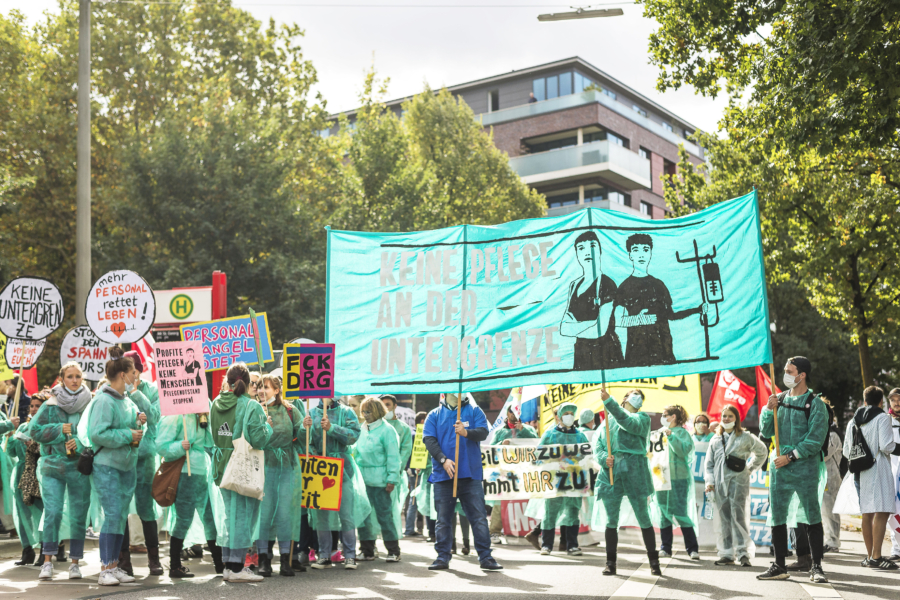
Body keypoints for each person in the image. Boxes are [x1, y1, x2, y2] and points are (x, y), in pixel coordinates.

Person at [84, 348, 155, 586]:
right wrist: (128, 433)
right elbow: (97, 433)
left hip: (127, 466)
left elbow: (135, 431)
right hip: (108, 466)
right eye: (133, 372)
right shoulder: (103, 399)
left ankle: (114, 565)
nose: (136, 376)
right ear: (122, 374)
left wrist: (138, 424)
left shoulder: (126, 400)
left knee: (119, 516)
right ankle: (105, 568)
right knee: (113, 515)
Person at [757, 357, 829, 583]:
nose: (785, 374)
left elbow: (815, 441)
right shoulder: (777, 399)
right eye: (785, 370)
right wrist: (768, 411)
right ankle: (779, 564)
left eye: (790, 371)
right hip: (779, 469)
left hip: (804, 468)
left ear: (802, 375)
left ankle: (816, 566)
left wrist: (790, 456)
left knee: (811, 516)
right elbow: (766, 430)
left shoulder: (815, 404)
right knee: (777, 517)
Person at [422, 392, 502, 572]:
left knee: (479, 518)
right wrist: (443, 460)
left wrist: (466, 432)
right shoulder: (434, 415)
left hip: (470, 474)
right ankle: (442, 557)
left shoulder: (474, 411)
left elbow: (483, 432)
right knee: (443, 520)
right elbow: (429, 440)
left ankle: (486, 557)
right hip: (444, 476)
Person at [209, 362, 273, 583]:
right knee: (243, 517)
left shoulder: (216, 403)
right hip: (241, 466)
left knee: (229, 516)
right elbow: (258, 439)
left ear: (227, 380)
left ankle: (228, 564)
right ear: (246, 383)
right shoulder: (251, 406)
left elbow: (212, 435)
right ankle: (237, 567)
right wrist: (268, 427)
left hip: (220, 466)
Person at [28, 363, 89, 580]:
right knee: (53, 512)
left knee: (79, 515)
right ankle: (47, 561)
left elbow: (95, 432)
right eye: (70, 376)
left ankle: (75, 563)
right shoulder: (51, 404)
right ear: (62, 378)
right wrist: (57, 429)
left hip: (78, 468)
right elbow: (32, 430)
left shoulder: (88, 404)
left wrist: (80, 444)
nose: (74, 380)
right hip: (52, 467)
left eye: (78, 376)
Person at [592, 388, 660, 576]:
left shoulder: (642, 419)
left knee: (643, 516)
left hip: (635, 471)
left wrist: (609, 402)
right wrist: (604, 458)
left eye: (641, 397)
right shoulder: (607, 421)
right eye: (634, 395)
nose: (637, 399)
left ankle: (654, 562)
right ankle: (610, 563)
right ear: (625, 398)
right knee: (611, 519)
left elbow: (627, 422)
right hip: (611, 473)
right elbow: (597, 446)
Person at [613, 234, 708, 366]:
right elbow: (614, 321)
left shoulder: (659, 285)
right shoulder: (624, 288)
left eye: (645, 250)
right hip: (637, 356)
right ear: (630, 255)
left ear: (651, 253)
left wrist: (697, 309)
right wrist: (637, 320)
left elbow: (672, 316)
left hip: (663, 354)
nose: (641, 255)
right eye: (636, 250)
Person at [304, 395, 368, 570]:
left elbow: (354, 435)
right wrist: (306, 429)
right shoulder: (311, 413)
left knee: (346, 514)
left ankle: (350, 555)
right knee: (321, 516)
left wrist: (332, 428)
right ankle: (324, 555)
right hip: (320, 469)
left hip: (342, 469)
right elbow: (305, 443)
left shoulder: (346, 412)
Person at [704, 405, 767, 567]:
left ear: (736, 419)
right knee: (723, 518)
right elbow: (709, 464)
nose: (726, 419)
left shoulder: (745, 437)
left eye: (730, 416)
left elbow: (762, 452)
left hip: (739, 483)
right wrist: (710, 482)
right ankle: (726, 553)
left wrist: (749, 469)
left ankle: (743, 552)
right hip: (719, 484)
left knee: (738, 516)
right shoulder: (715, 439)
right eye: (724, 416)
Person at [156, 408, 216, 578]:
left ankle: (220, 564)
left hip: (201, 472)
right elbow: (161, 445)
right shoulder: (175, 415)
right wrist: (180, 446)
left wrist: (206, 420)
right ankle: (174, 566)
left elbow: (210, 442)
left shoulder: (204, 412)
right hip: (183, 473)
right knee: (184, 519)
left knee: (210, 518)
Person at [843, 386, 897, 569]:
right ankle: (877, 557)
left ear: (864, 401)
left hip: (859, 471)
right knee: (881, 513)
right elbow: (886, 446)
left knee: (867, 513)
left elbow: (846, 451)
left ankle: (869, 556)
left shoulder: (853, 422)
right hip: (877, 469)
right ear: (881, 402)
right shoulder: (883, 418)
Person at [255, 374, 302, 577]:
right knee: (264, 515)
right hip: (262, 468)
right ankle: (264, 560)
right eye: (259, 387)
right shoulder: (254, 410)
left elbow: (303, 437)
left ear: (276, 390)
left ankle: (285, 559)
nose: (261, 391)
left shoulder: (291, 411)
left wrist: (307, 427)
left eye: (266, 387)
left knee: (285, 513)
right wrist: (263, 426)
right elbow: (250, 437)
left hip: (287, 468)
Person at [121, 350, 163, 576]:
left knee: (146, 508)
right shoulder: (117, 389)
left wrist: (136, 393)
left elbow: (155, 417)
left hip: (145, 456)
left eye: (133, 369)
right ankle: (123, 561)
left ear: (138, 370)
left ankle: (154, 560)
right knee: (120, 508)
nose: (130, 374)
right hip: (122, 455)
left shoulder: (152, 390)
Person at [559, 231, 623, 370]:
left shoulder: (606, 284)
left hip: (606, 353)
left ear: (599, 251)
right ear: (577, 254)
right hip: (581, 354)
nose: (587, 252)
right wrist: (592, 323)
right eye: (581, 248)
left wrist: (575, 327)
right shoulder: (574, 285)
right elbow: (564, 328)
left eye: (592, 246)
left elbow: (599, 330)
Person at [537, 402, 588, 556]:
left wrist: (574, 460)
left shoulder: (580, 435)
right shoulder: (550, 434)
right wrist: (553, 462)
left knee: (573, 511)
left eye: (571, 413)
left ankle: (572, 545)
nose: (569, 416)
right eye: (566, 413)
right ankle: (547, 545)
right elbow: (539, 455)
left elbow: (588, 455)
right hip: (554, 480)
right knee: (550, 511)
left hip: (574, 480)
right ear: (559, 417)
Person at [355, 397, 402, 562]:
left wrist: (392, 478)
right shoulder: (361, 428)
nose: (365, 414)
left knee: (384, 516)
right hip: (363, 479)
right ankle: (367, 550)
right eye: (363, 411)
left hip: (381, 481)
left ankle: (393, 550)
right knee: (363, 516)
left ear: (376, 411)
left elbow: (393, 457)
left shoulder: (387, 430)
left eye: (368, 411)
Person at [654, 405, 699, 559]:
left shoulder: (683, 434)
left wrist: (671, 436)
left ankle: (692, 548)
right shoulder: (658, 434)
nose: (663, 418)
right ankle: (665, 547)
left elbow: (683, 451)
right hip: (661, 478)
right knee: (664, 514)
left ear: (673, 417)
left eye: (665, 415)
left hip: (679, 479)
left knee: (680, 512)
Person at [488, 406, 538, 543]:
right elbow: (490, 450)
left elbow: (537, 444)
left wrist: (524, 430)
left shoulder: (529, 430)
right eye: (512, 412)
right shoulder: (500, 432)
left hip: (524, 473)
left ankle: (527, 530)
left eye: (517, 412)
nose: (514, 415)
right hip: (505, 474)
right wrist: (501, 443)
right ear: (507, 413)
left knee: (526, 501)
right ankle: (494, 531)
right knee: (500, 502)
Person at [10, 390, 42, 566]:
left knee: (40, 513)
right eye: (32, 406)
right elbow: (11, 452)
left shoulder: (46, 426)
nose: (34, 409)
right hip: (21, 473)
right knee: (22, 514)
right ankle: (27, 550)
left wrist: (33, 445)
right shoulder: (22, 427)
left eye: (38, 406)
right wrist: (10, 438)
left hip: (39, 473)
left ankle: (47, 549)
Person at [820, 399, 843, 553]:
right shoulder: (818, 432)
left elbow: (824, 454)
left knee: (830, 508)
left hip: (830, 475)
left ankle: (833, 540)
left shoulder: (833, 434)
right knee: (821, 510)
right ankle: (825, 539)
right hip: (818, 475)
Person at [404, 411, 428, 538]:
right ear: (423, 421)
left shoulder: (413, 433)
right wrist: (410, 467)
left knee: (414, 500)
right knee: (415, 501)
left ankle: (413, 528)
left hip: (414, 471)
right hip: (416, 471)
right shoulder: (416, 435)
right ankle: (410, 528)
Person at [887, 388, 900, 561]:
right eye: (893, 400)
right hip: (890, 472)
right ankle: (896, 548)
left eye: (899, 399)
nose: (896, 403)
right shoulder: (885, 421)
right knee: (892, 510)